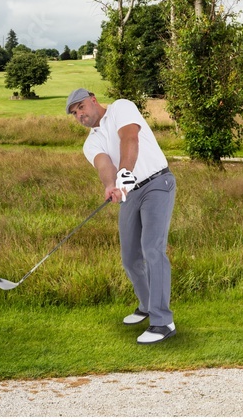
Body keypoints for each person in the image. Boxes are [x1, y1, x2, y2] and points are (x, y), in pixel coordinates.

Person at [65, 88, 177, 344]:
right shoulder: (90, 142)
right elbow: (104, 165)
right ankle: (147, 305)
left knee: (152, 250)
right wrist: (110, 184)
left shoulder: (121, 107)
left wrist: (125, 171)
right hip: (130, 193)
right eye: (74, 113)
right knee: (130, 257)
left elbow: (129, 138)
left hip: (157, 183)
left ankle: (163, 322)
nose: (79, 115)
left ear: (93, 100)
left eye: (81, 107)